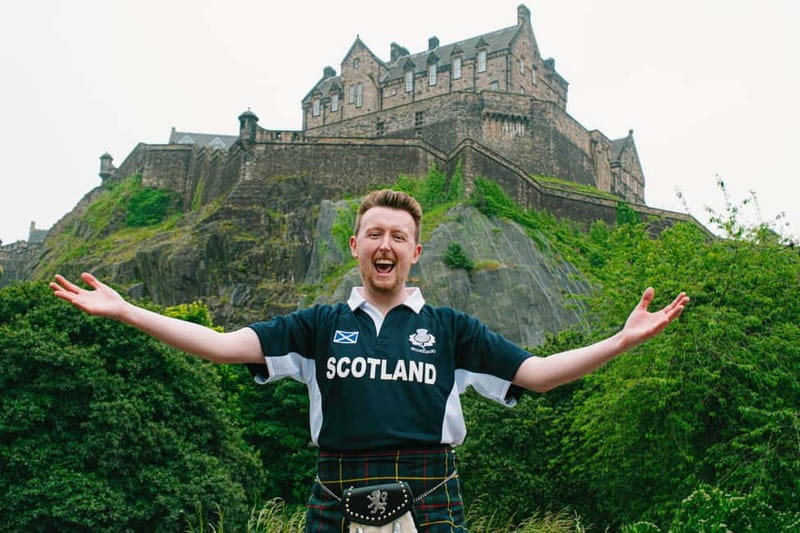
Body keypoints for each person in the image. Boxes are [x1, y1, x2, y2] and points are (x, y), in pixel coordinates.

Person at [50, 189, 689, 532]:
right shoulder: (317, 326)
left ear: (417, 252)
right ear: (355, 245)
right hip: (335, 485)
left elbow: (540, 375)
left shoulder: (452, 329)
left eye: (399, 237)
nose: (386, 245)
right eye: (375, 234)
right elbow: (221, 346)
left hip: (431, 487)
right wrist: (129, 311)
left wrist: (622, 340)